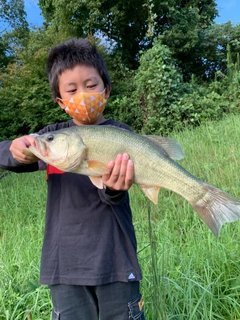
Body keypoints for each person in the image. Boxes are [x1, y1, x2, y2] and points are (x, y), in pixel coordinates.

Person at [0, 37, 146, 320]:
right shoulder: (53, 139)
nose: (83, 94)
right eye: (72, 89)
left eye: (91, 85)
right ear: (60, 100)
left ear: (106, 89)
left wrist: (114, 189)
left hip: (116, 261)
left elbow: (113, 195)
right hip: (63, 267)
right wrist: (16, 151)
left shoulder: (121, 133)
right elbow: (8, 155)